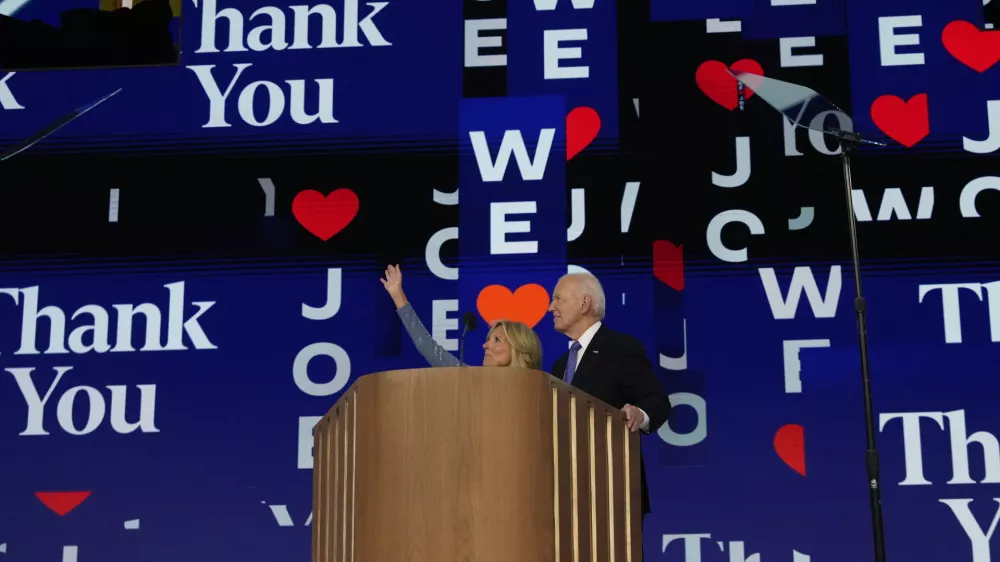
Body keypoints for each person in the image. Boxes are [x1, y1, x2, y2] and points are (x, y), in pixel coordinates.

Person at [548, 272, 671, 516]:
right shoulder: (560, 364)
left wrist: (639, 414)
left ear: (584, 304)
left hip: (612, 490)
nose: (551, 307)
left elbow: (657, 401)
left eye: (558, 299)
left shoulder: (620, 349)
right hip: (565, 491)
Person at [380, 264, 543, 369]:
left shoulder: (539, 392)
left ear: (519, 349)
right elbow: (427, 346)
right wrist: (397, 295)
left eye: (497, 340)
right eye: (489, 339)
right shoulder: (469, 379)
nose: (485, 346)